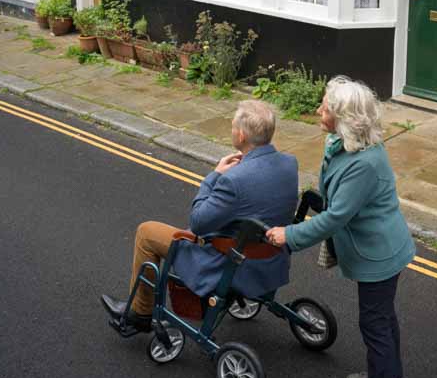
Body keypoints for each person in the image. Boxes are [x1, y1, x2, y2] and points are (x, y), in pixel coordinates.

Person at [266, 76, 414, 378]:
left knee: (374, 324)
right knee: (382, 318)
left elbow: (336, 217)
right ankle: (390, 375)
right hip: (378, 247)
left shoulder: (364, 163)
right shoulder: (344, 144)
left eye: (325, 107)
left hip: (378, 254)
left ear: (344, 118)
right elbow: (331, 195)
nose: (319, 110)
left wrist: (290, 236)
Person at [101, 100, 298, 331]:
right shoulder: (289, 163)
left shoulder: (232, 180)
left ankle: (140, 312)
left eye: (233, 126)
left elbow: (199, 222)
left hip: (231, 265)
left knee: (146, 232)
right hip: (272, 260)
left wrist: (213, 176)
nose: (232, 130)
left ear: (242, 136)